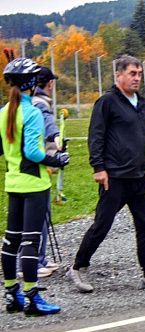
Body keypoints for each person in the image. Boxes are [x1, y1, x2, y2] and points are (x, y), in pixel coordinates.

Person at [66, 55, 145, 293]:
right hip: (114, 177)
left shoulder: (143, 103)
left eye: (139, 74)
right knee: (102, 225)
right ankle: (78, 267)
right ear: (118, 75)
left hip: (140, 176)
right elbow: (96, 136)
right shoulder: (107, 102)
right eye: (132, 73)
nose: (137, 78)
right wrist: (98, 168)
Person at [1, 57, 69, 315]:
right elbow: (33, 152)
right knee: (31, 240)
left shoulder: (4, 112)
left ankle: (12, 294)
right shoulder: (32, 113)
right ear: (31, 84)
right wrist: (57, 159)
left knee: (11, 240)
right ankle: (32, 298)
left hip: (13, 182)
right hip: (34, 184)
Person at [29, 66, 63, 278]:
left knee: (42, 215)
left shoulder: (33, 101)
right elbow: (48, 127)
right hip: (36, 167)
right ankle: (31, 262)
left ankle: (39, 258)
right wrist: (56, 138)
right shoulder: (40, 104)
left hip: (38, 167)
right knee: (38, 217)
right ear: (49, 83)